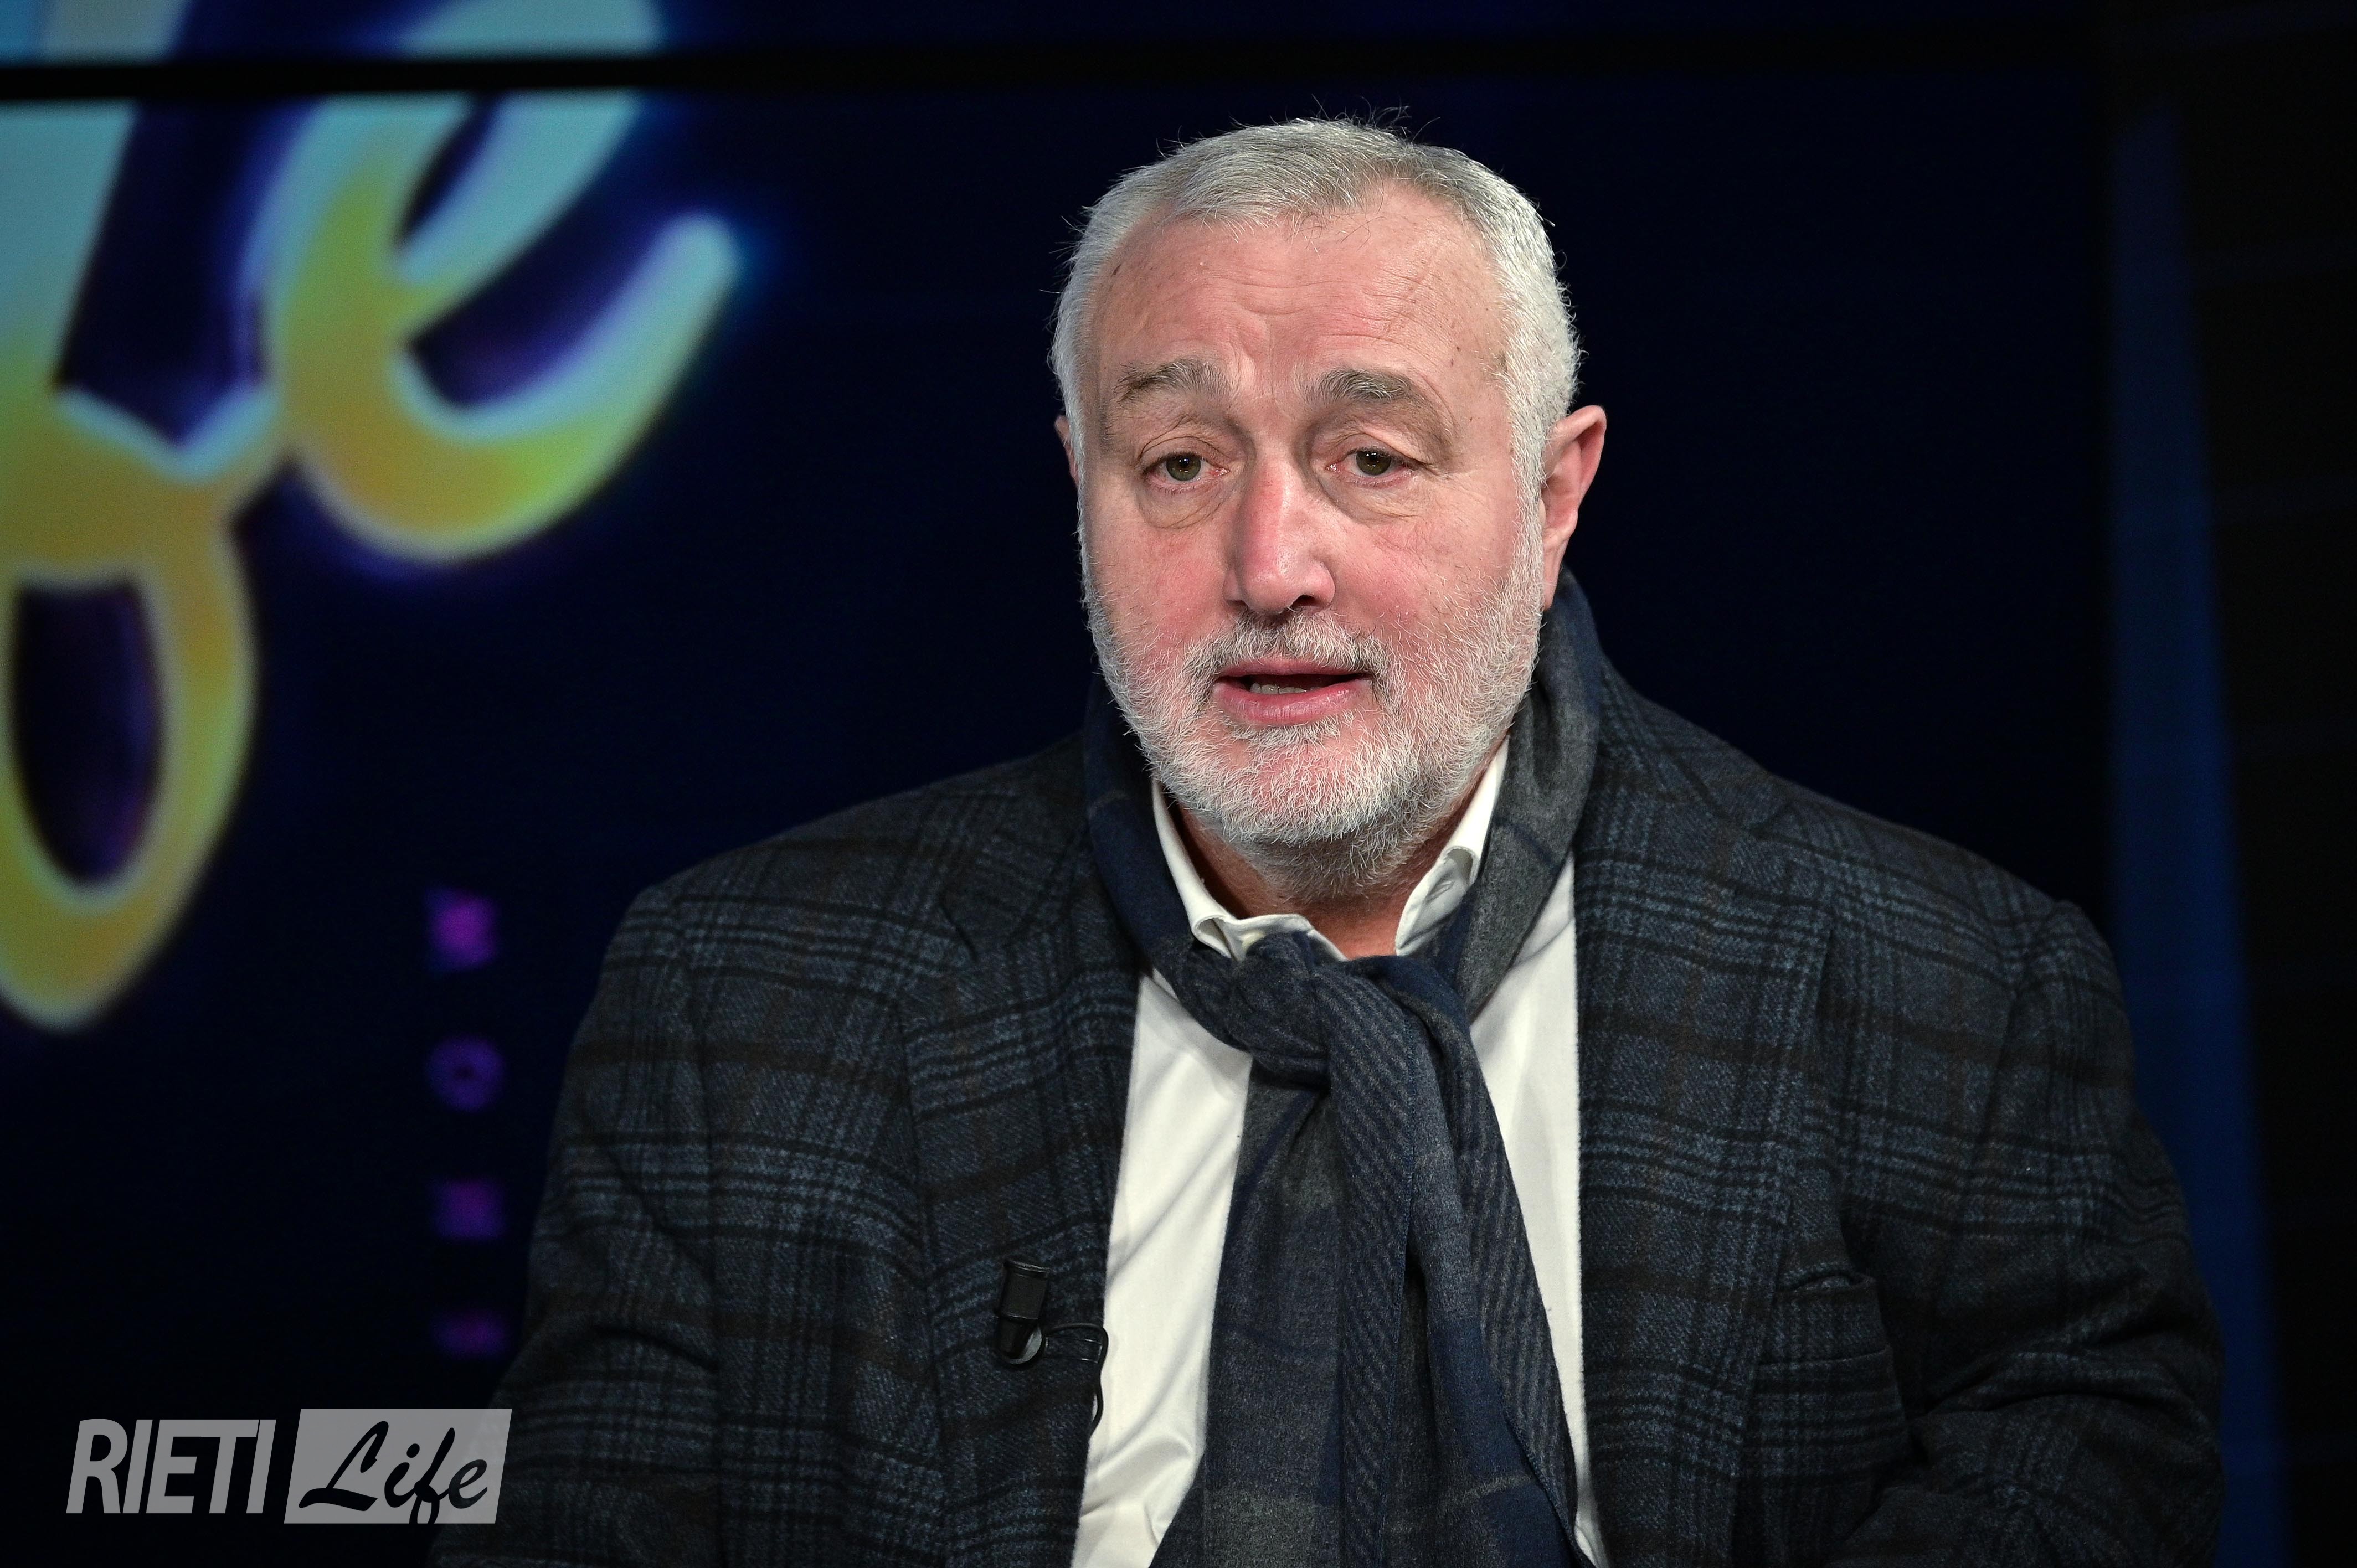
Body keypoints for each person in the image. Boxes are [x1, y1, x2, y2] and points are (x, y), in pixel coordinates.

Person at [434, 119, 2221, 1568]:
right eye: (1181, 463)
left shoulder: (1955, 984)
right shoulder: (734, 1005)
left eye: (1372, 457)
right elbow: (573, 1517)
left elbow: (2098, 1437)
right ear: (1080, 485)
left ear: (1555, 493)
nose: (1271, 567)